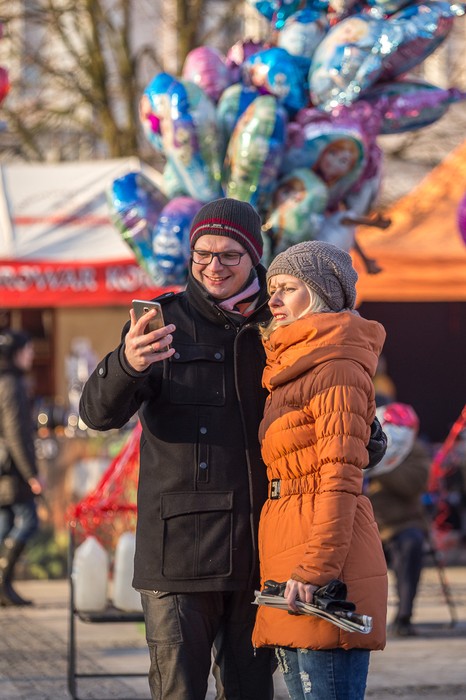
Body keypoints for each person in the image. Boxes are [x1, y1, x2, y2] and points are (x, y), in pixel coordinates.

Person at [79, 199, 387, 700]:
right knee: (178, 691)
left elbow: (349, 438)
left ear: (253, 256)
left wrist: (361, 422)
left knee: (249, 692)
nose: (213, 266)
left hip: (261, 554)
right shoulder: (163, 321)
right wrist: (127, 364)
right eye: (202, 254)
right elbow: (96, 415)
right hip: (178, 555)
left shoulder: (287, 319)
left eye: (228, 255)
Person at [252, 241, 388, 700]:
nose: (273, 300)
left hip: (322, 568)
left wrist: (315, 570)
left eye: (288, 288)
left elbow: (340, 477)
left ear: (321, 294)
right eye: (272, 288)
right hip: (289, 556)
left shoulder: (336, 367)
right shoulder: (290, 367)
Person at [366, 404, 430, 637]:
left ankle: (404, 616)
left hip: (400, 524)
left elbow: (413, 483)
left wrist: (381, 460)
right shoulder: (364, 437)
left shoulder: (415, 450)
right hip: (366, 523)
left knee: (411, 543)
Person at [0, 329, 42, 607]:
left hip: (5, 467)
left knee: (4, 525)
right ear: (16, 353)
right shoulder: (11, 384)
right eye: (28, 349)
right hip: (12, 469)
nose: (32, 355)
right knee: (28, 520)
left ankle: (3, 587)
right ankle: (3, 583)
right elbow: (16, 434)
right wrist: (31, 475)